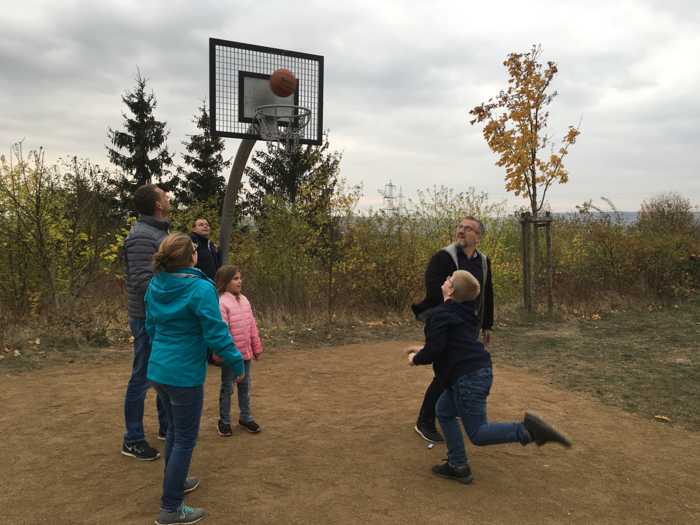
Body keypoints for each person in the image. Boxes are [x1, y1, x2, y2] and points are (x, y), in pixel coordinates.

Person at [407, 270, 571, 485]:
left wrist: (415, 358)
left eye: (449, 279)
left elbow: (435, 349)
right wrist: (423, 349)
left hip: (466, 378)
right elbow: (451, 343)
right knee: (444, 411)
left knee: (478, 433)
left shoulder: (440, 314)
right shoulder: (466, 313)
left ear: (451, 289)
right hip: (476, 371)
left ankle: (528, 431)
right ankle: (458, 465)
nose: (445, 279)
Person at [146, 233, 245, 525]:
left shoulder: (156, 283)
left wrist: (165, 353)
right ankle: (171, 508)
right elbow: (215, 332)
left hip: (159, 370)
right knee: (185, 438)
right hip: (184, 375)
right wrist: (236, 360)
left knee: (175, 432)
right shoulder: (200, 288)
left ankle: (175, 483)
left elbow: (151, 327)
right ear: (192, 256)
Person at [411, 215, 494, 443]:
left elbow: (487, 293)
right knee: (445, 373)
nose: (461, 230)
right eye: (460, 227)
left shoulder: (483, 262)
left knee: (457, 370)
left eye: (468, 228)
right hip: (445, 324)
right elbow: (433, 291)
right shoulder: (444, 257)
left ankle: (449, 409)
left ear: (478, 236)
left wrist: (487, 324)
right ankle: (425, 421)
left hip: (469, 325)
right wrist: (448, 317)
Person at [121, 183, 170, 461]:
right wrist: (176, 295)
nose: (168, 197)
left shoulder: (159, 232)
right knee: (142, 377)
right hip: (146, 318)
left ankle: (165, 427)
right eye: (164, 195)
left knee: (162, 373)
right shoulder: (141, 236)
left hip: (161, 316)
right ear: (157, 205)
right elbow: (142, 282)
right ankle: (133, 438)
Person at [214, 265, 264, 436]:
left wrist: (256, 347)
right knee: (227, 387)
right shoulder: (221, 303)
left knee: (245, 386)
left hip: (246, 354)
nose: (239, 281)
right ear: (225, 282)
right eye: (235, 278)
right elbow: (222, 332)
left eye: (240, 278)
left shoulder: (244, 300)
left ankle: (246, 417)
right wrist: (224, 354)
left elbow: (252, 326)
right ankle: (224, 421)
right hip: (230, 356)